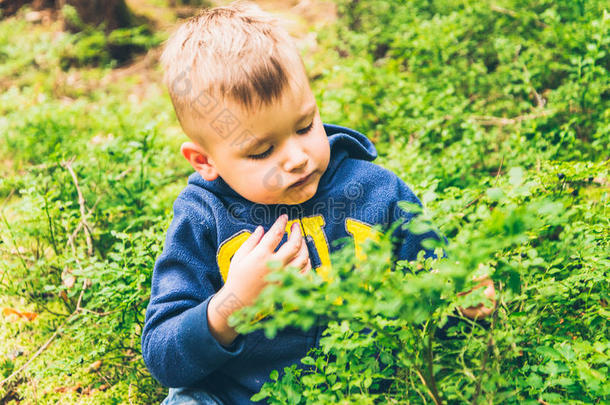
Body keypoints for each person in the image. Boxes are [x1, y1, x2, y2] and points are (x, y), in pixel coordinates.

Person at [141, 2, 495, 404]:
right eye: (262, 151)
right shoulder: (203, 217)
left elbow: (437, 285)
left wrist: (463, 299)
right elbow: (163, 356)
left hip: (366, 392)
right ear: (205, 161)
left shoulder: (377, 192)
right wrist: (232, 303)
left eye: (305, 125)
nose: (296, 157)